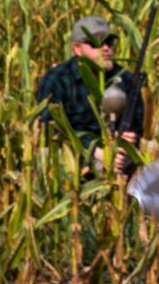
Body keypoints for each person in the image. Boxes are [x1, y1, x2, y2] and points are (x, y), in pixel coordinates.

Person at [35, 15, 144, 175]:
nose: (106, 48)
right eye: (96, 43)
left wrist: (130, 142)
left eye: (109, 42)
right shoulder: (57, 80)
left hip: (120, 157)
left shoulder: (126, 78)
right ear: (77, 49)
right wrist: (98, 153)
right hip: (74, 158)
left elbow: (138, 124)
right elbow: (48, 130)